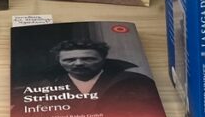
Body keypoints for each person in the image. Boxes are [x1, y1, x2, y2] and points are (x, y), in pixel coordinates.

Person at [25, 39, 162, 109]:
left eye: (88, 59)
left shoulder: (135, 82)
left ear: (103, 59)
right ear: (59, 61)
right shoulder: (42, 88)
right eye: (69, 60)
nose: (79, 63)